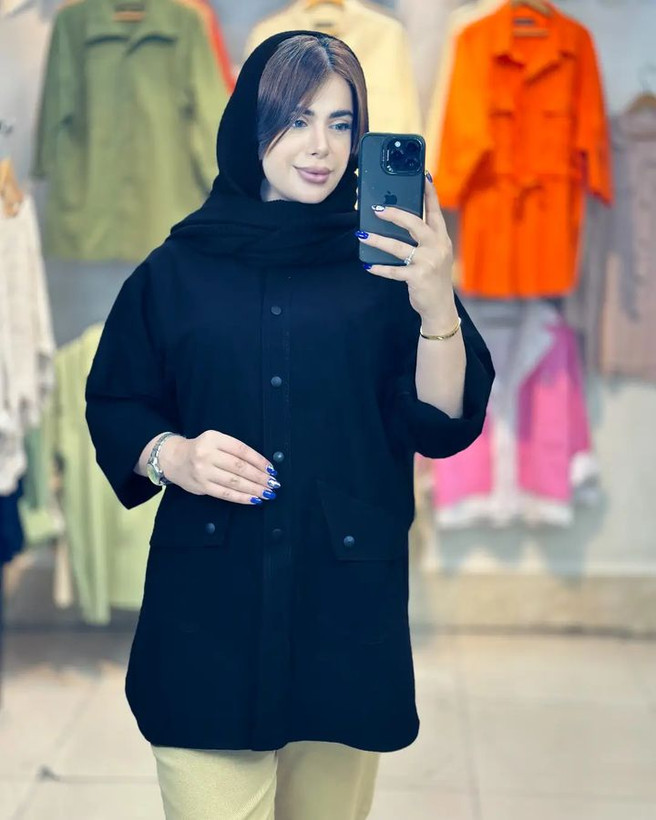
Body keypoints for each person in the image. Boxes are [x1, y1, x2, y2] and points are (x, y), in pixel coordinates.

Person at [85, 29, 494, 820]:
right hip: (207, 614)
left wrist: (436, 302)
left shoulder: (389, 267)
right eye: (298, 119)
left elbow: (444, 424)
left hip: (343, 614)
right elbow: (116, 402)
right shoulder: (176, 271)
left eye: (342, 124)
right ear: (252, 122)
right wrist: (171, 455)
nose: (321, 148)